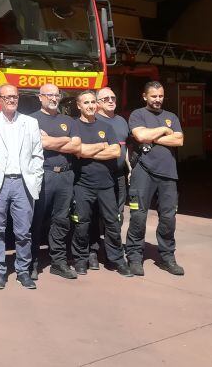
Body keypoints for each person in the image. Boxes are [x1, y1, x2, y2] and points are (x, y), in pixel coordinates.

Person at [0, 84, 43, 290]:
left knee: (23, 232)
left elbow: (37, 155)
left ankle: (23, 271)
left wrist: (35, 182)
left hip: (23, 184)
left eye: (15, 97)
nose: (11, 100)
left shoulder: (30, 122)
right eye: (7, 96)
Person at [70, 91, 132, 277]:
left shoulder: (106, 127)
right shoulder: (74, 126)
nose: (90, 105)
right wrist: (101, 146)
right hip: (82, 184)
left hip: (106, 184)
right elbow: (76, 151)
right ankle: (81, 259)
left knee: (112, 223)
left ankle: (117, 260)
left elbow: (115, 152)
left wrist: (87, 151)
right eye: (85, 102)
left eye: (92, 102)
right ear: (79, 106)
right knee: (82, 223)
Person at [126, 81, 185, 276]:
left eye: (160, 96)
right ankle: (134, 257)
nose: (158, 99)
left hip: (168, 174)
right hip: (143, 172)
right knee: (138, 217)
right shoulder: (137, 114)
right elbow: (140, 136)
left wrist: (152, 136)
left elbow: (179, 140)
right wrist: (164, 131)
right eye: (154, 96)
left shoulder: (171, 116)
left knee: (168, 218)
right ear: (145, 96)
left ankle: (167, 257)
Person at [29, 83, 80, 280]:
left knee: (61, 220)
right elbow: (41, 144)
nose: (53, 98)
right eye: (48, 95)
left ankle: (58, 262)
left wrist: (51, 140)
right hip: (44, 174)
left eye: (56, 95)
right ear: (40, 97)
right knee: (37, 219)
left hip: (66, 176)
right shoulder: (32, 120)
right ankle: (31, 262)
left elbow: (76, 146)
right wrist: (64, 140)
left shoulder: (69, 120)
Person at [90, 87, 131, 270]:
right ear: (98, 103)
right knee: (94, 214)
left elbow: (124, 147)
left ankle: (111, 251)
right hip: (100, 175)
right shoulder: (93, 120)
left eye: (113, 97)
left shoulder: (122, 120)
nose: (110, 100)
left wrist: (129, 167)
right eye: (105, 98)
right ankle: (93, 251)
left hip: (119, 175)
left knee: (117, 215)